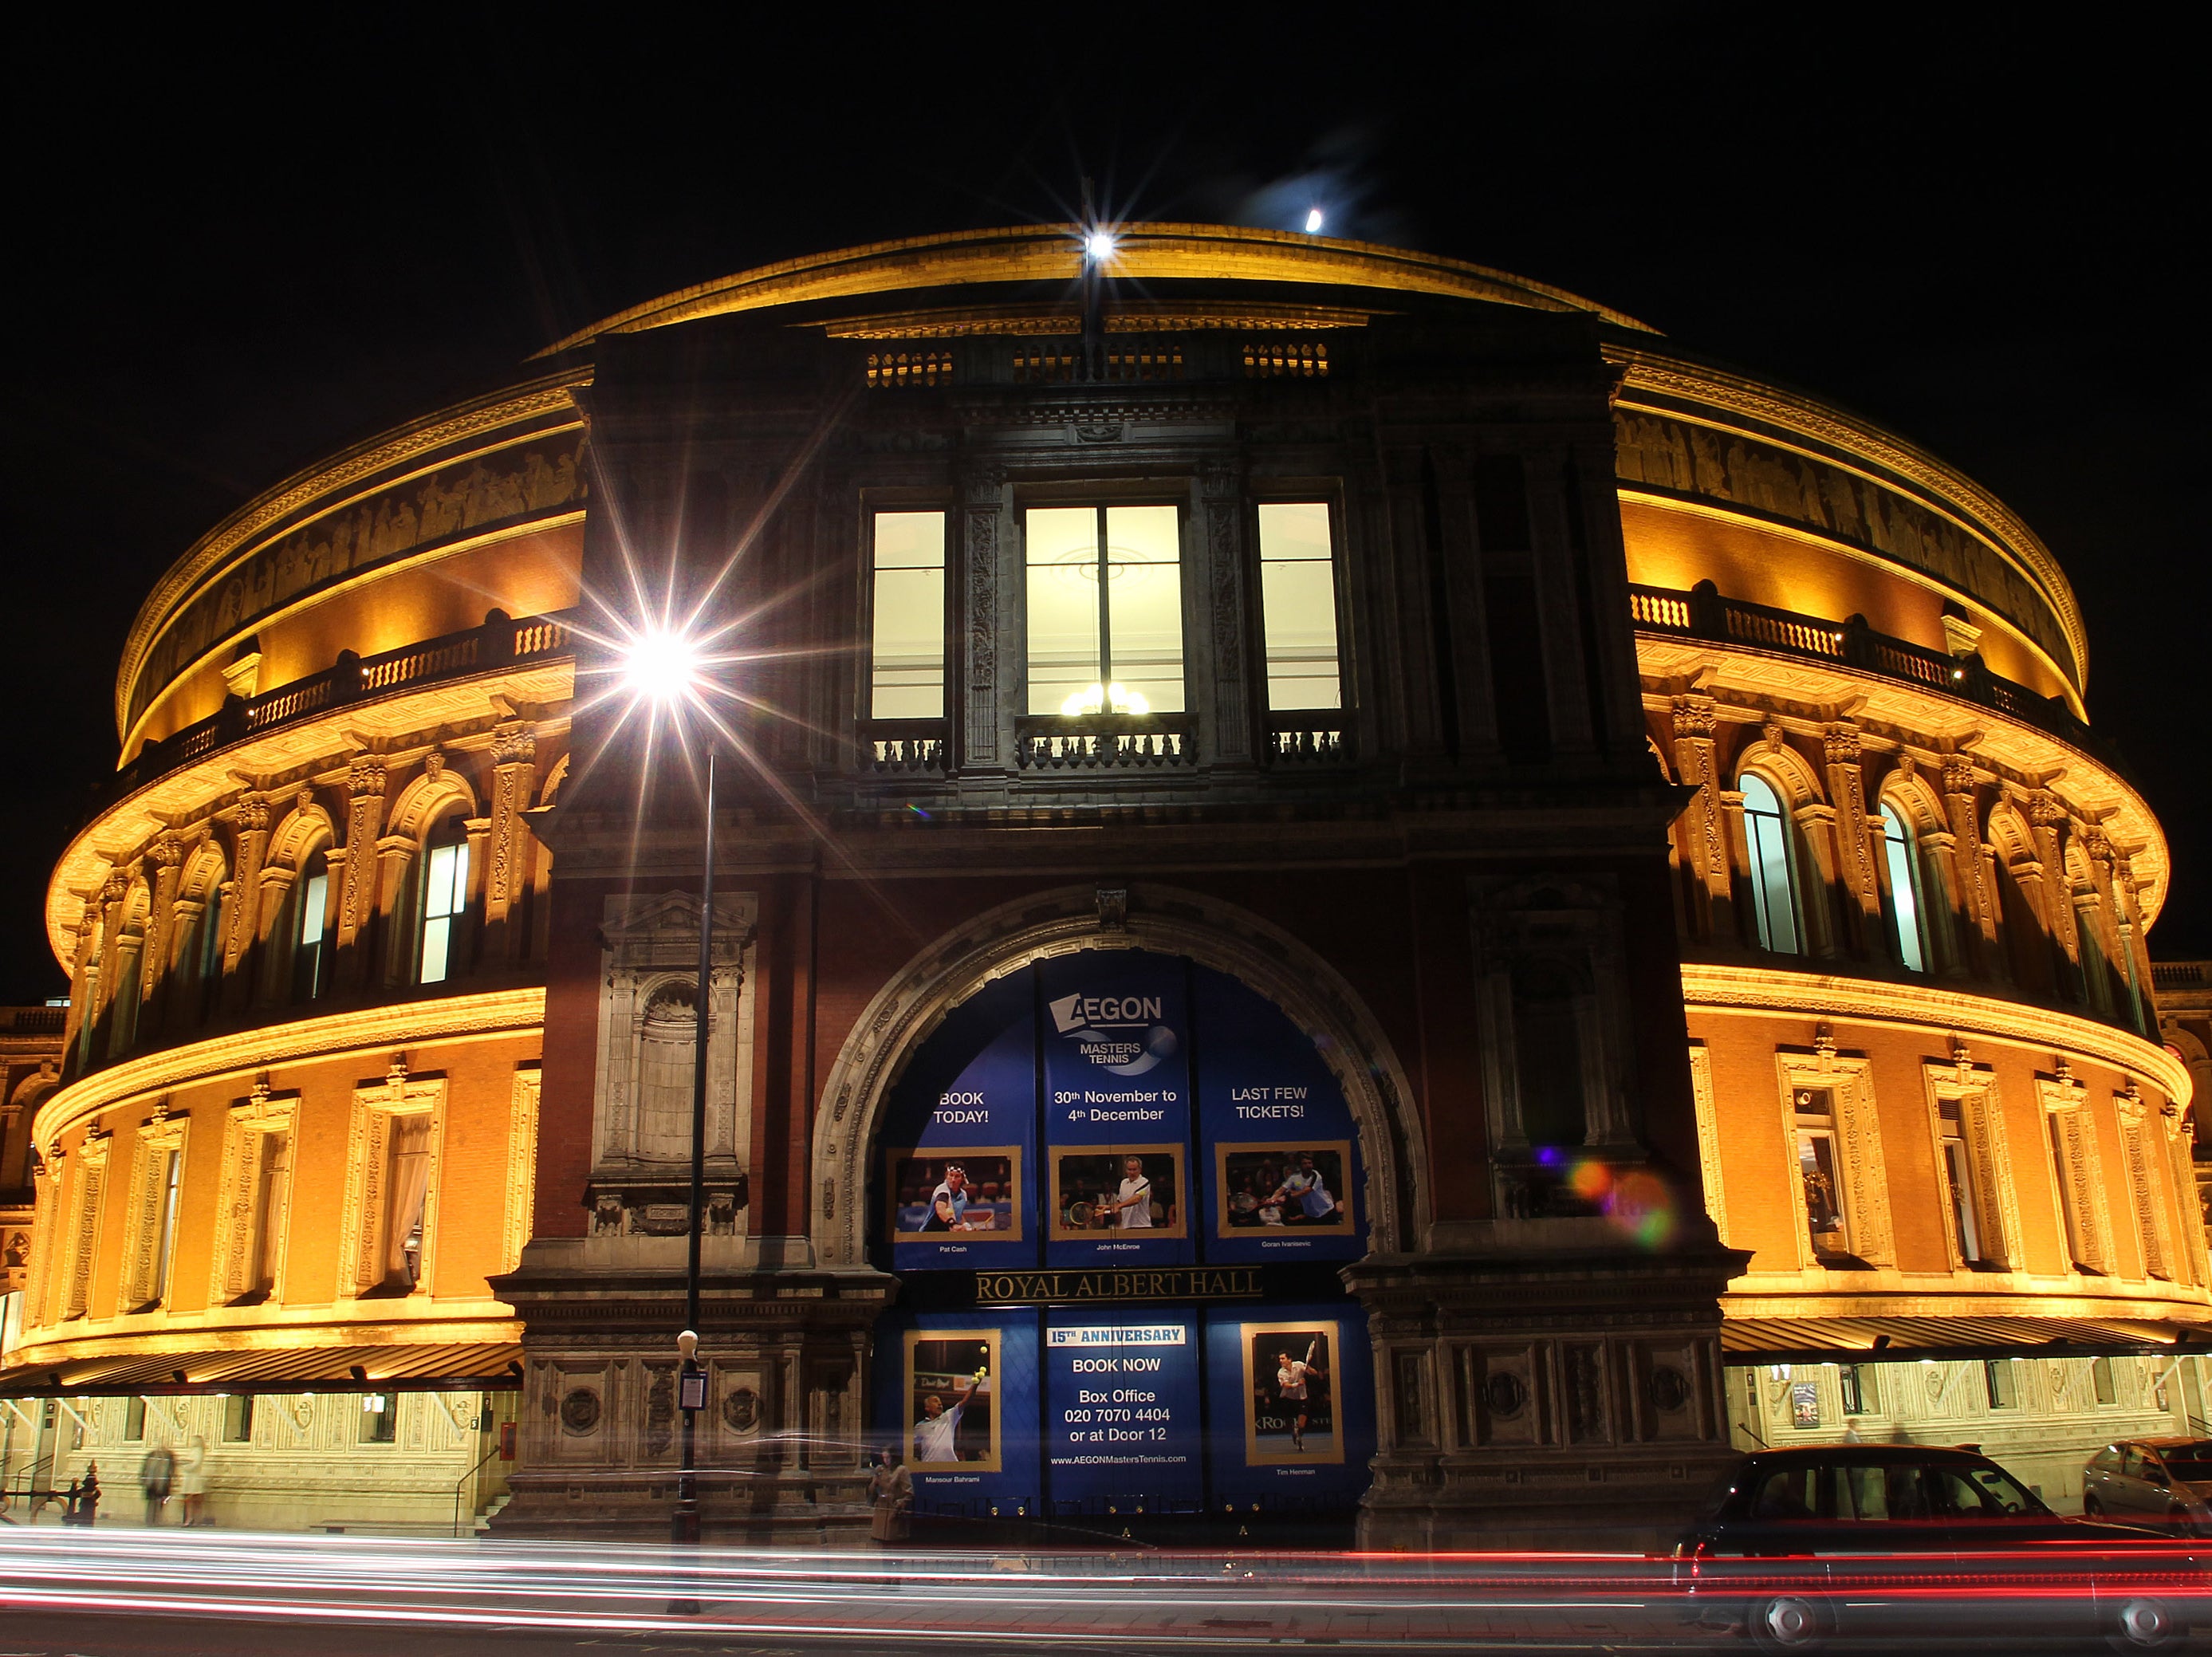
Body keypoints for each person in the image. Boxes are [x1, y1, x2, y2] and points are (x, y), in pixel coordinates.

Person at [913, 1372, 981, 1462]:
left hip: (951, 1467)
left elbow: (965, 1401)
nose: (940, 1404)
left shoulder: (949, 1416)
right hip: (929, 1468)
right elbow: (908, 1444)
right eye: (935, 1401)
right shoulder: (920, 1426)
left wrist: (975, 1385)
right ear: (927, 1408)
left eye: (940, 1402)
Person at [1275, 1338, 1325, 1451]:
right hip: (1288, 1399)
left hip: (1302, 1398)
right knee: (1289, 1424)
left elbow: (1315, 1373)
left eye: (1283, 1358)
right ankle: (1293, 1432)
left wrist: (1309, 1368)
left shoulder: (1299, 1365)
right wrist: (1298, 1384)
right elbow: (1286, 1385)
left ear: (1289, 1359)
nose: (1281, 1361)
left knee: (1301, 1424)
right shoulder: (1281, 1372)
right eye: (1280, 1359)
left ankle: (1299, 1439)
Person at [1267, 1153, 1337, 1225]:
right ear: (1300, 1166)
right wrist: (1273, 1198)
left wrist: (1286, 1197)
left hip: (1327, 1211)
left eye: (1310, 1163)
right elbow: (1281, 1190)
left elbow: (1305, 1191)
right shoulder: (1294, 1177)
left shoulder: (1316, 1176)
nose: (1308, 1165)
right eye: (1305, 1163)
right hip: (1312, 1215)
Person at [868, 1447, 913, 1543]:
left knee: (893, 1540)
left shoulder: (901, 1470)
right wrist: (875, 1481)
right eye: (884, 1458)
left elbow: (909, 1493)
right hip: (881, 1509)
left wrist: (899, 1504)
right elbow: (872, 1491)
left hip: (893, 1510)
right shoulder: (881, 1470)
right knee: (879, 1541)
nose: (886, 1460)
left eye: (888, 1457)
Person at [1096, 1155, 1153, 1229]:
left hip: (1142, 1225)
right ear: (1126, 1170)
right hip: (1126, 1226)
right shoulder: (1123, 1183)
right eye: (1129, 1169)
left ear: (1140, 1170)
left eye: (1135, 1169)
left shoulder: (1144, 1182)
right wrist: (1109, 1207)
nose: (1132, 1172)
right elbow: (1120, 1202)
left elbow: (1137, 1199)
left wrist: (1118, 1206)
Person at [923, 1164, 969, 1232]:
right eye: (951, 1175)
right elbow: (941, 1210)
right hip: (930, 1233)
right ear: (946, 1176)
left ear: (962, 1178)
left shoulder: (963, 1194)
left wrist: (965, 1224)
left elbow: (957, 1213)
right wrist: (953, 1225)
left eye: (957, 1176)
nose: (953, 1180)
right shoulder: (942, 1190)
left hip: (948, 1234)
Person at [138, 1441, 174, 1526]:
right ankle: (150, 1519)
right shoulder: (151, 1455)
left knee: (160, 1502)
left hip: (162, 1483)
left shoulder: (169, 1456)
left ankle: (157, 1519)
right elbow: (145, 1468)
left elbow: (171, 1470)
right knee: (151, 1502)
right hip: (152, 1482)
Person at [176, 1435, 207, 1525]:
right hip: (189, 1477)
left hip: (193, 1477)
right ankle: (191, 1518)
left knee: (191, 1499)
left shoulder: (198, 1451)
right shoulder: (193, 1451)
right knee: (190, 1500)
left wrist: (185, 1466)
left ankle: (191, 1519)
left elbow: (196, 1463)